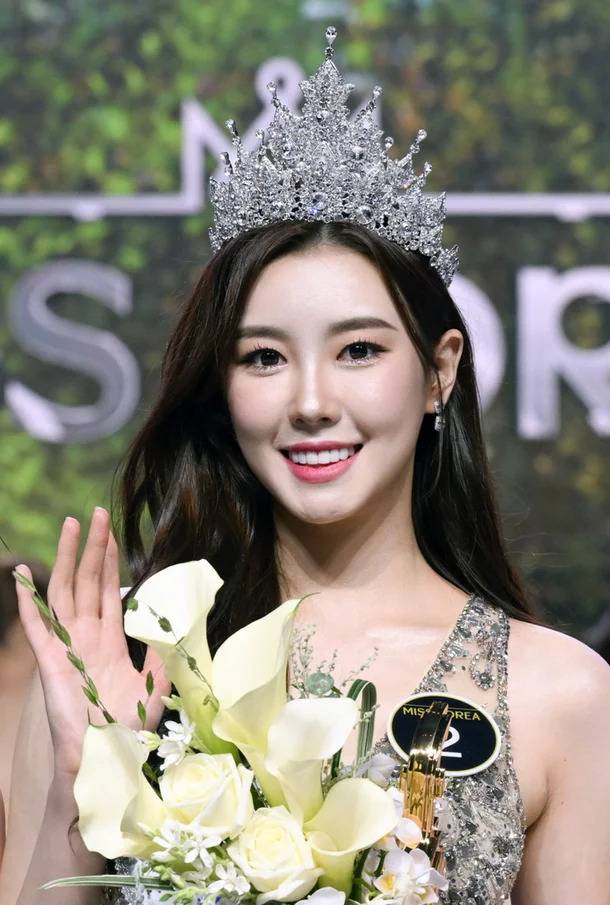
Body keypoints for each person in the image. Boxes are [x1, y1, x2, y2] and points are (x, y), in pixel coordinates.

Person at [3, 26, 610, 905]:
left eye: (359, 349)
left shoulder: (557, 691)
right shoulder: (127, 659)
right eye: (264, 358)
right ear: (222, 388)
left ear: (438, 371)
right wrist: (82, 777)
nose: (312, 401)